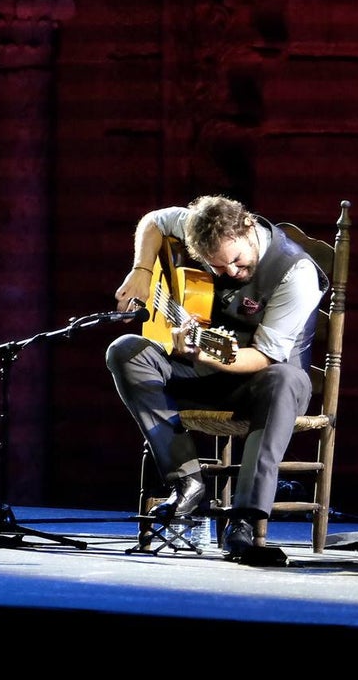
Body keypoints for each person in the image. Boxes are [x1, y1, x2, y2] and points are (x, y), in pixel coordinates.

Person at [106, 195, 328, 559]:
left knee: (283, 380)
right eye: (217, 266)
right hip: (200, 374)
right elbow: (154, 220)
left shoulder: (296, 273)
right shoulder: (201, 226)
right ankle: (187, 483)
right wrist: (142, 270)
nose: (231, 273)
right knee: (125, 350)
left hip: (264, 383)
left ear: (247, 227)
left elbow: (264, 356)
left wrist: (203, 352)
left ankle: (244, 522)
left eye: (237, 261)